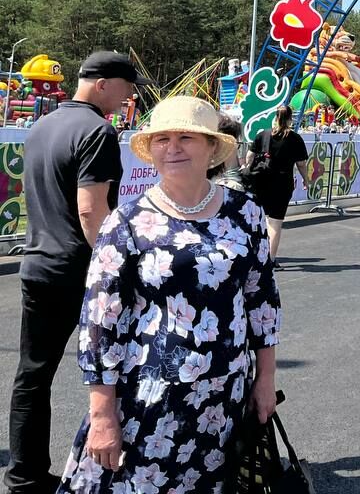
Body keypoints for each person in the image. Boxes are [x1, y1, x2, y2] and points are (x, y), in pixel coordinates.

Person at [54, 96, 280, 494]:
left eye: (186, 137)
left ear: (212, 147)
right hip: (148, 399)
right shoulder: (127, 221)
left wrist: (265, 379)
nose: (172, 148)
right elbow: (99, 323)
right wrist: (103, 412)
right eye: (162, 139)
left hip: (224, 398)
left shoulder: (245, 213)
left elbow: (262, 301)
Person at [5, 52, 138, 494]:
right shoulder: (97, 131)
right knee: (115, 368)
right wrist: (113, 264)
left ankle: (24, 477)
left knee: (33, 375)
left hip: (38, 263)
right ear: (102, 84)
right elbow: (89, 209)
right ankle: (123, 468)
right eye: (125, 87)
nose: (128, 97)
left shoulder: (42, 125)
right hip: (77, 270)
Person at [245, 104, 308, 258]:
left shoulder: (263, 135)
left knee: (258, 219)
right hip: (282, 183)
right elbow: (301, 164)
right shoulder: (294, 138)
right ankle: (270, 259)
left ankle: (254, 254)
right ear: (290, 119)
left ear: (275, 117)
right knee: (275, 223)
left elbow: (249, 156)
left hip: (260, 182)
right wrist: (306, 179)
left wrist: (247, 167)